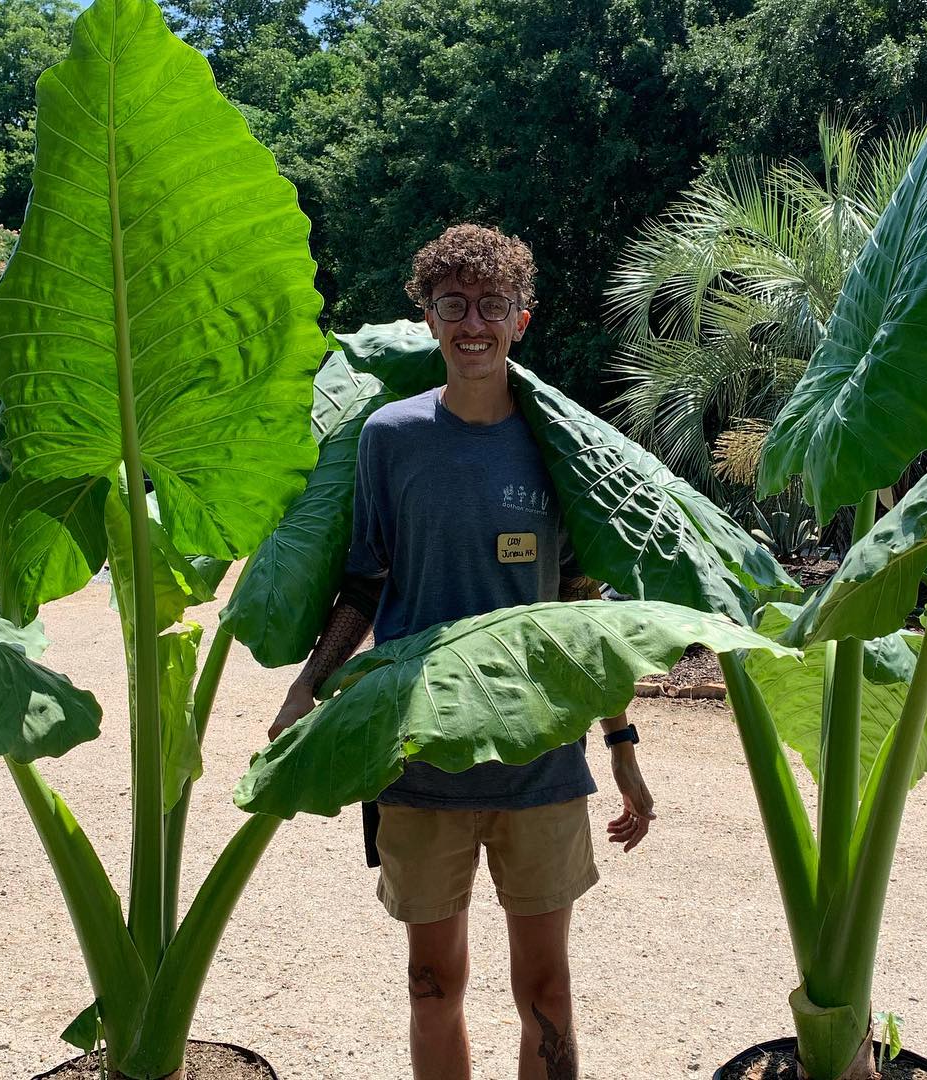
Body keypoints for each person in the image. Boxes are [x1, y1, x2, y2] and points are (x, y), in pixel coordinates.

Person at [269, 223, 656, 1080]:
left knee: (547, 991)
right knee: (432, 986)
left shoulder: (557, 442)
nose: (472, 323)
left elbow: (578, 606)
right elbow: (366, 583)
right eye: (454, 307)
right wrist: (307, 691)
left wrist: (622, 746)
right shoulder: (392, 437)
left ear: (523, 318)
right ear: (432, 318)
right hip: (421, 758)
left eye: (492, 306)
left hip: (541, 764)